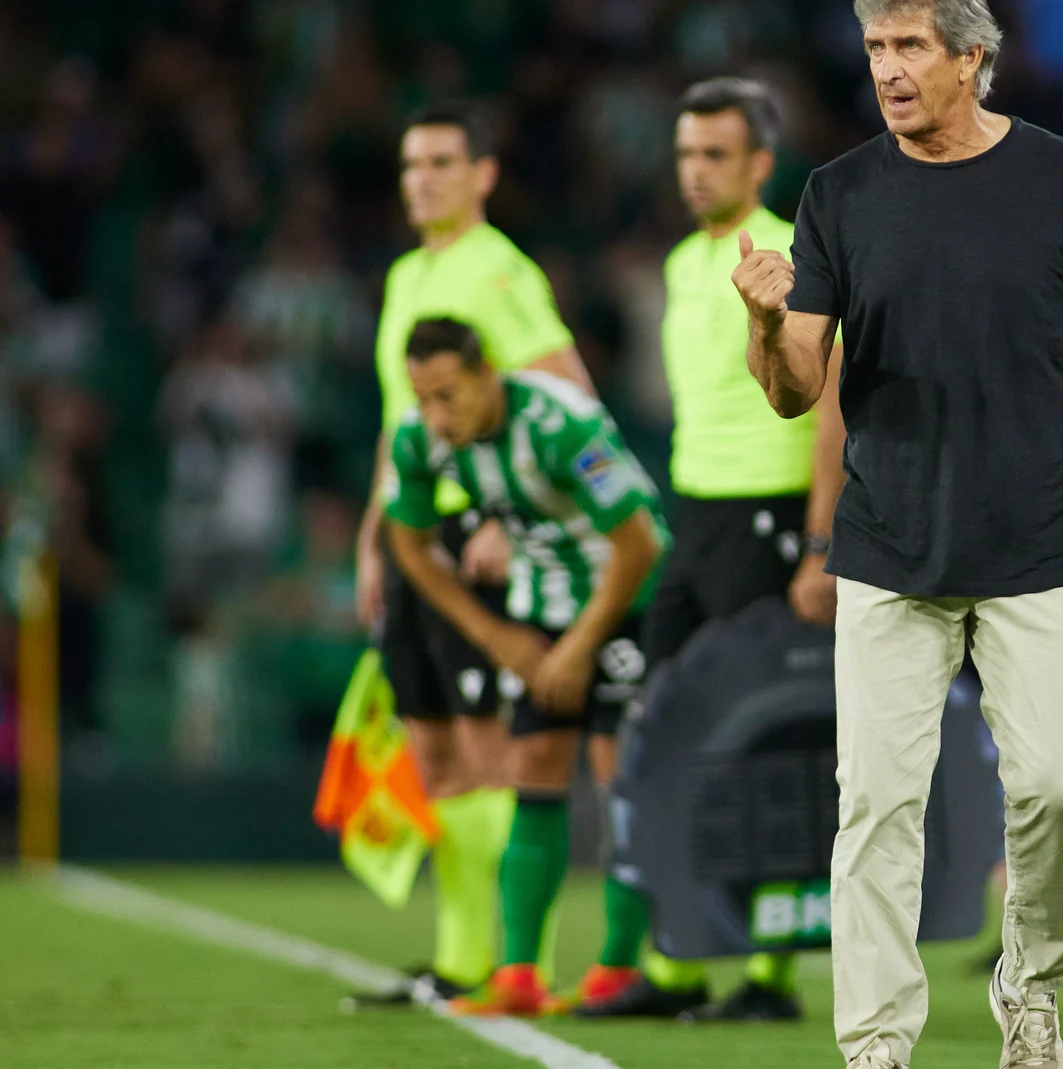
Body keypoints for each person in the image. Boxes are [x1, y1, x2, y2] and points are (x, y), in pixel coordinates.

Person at [730, 1, 1063, 1066]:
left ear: (971, 58)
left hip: (1038, 540)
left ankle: (1029, 999)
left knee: (1055, 791)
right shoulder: (836, 193)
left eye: (908, 48)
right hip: (890, 545)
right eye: (874, 51)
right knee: (878, 807)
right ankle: (876, 1044)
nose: (887, 71)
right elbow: (797, 391)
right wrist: (764, 323)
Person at [573, 76, 845, 1023]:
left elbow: (828, 415)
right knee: (670, 735)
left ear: (759, 163)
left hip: (769, 516)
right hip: (698, 515)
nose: (695, 172)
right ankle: (680, 960)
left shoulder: (788, 257)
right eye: (686, 154)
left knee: (761, 745)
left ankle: (770, 974)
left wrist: (819, 543)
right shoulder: (687, 262)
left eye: (715, 155)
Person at [348, 102, 599, 1007]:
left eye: (444, 162)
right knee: (436, 751)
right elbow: (400, 418)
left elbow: (568, 388)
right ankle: (459, 958)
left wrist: (515, 505)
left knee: (496, 750)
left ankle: (510, 958)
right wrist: (375, 534)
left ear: (484, 175)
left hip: (481, 538)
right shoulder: (408, 274)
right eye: (413, 163)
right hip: (419, 533)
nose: (423, 178)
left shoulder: (500, 272)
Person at [384, 317, 669, 1017]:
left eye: (448, 395)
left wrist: (577, 648)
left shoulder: (558, 422)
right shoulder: (422, 442)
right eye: (422, 399)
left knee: (619, 778)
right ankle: (518, 976)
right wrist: (499, 636)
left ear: (487, 374)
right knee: (534, 767)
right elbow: (412, 544)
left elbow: (641, 542)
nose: (435, 415)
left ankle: (617, 968)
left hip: (627, 604)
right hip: (542, 610)